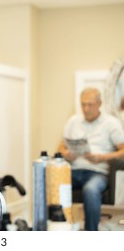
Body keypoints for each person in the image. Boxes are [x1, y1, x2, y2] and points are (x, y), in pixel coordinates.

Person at [58, 87, 124, 231]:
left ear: (99, 104)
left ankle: (91, 235)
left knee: (91, 189)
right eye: (83, 104)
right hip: (73, 170)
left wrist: (103, 157)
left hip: (97, 172)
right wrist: (65, 153)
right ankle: (58, 228)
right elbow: (60, 147)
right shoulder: (73, 121)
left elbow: (123, 150)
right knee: (53, 183)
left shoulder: (111, 123)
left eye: (90, 104)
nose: (86, 109)